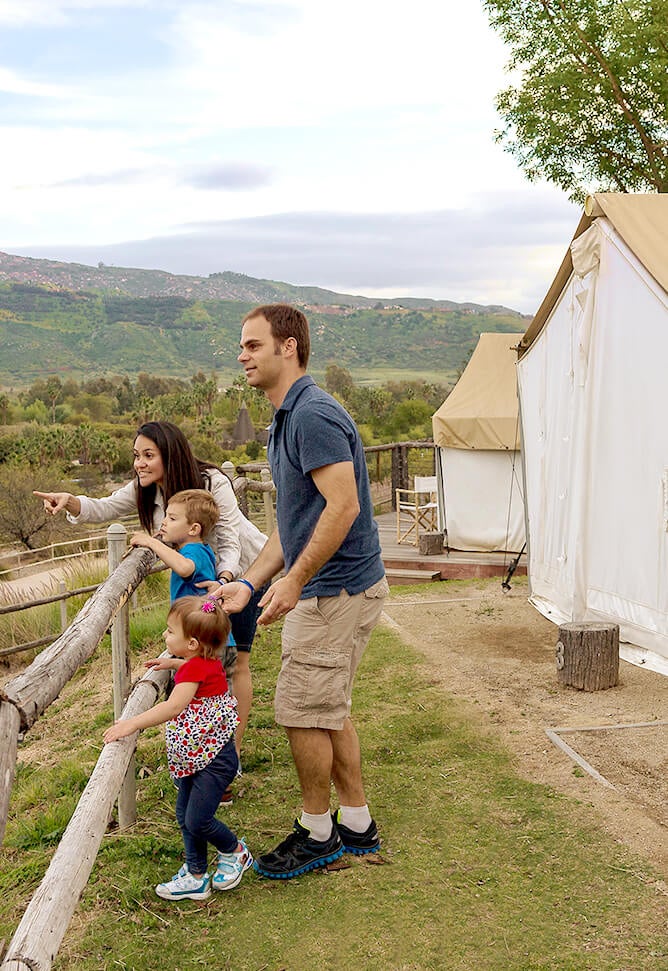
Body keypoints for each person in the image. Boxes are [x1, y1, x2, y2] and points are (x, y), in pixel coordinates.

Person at [215, 303, 389, 880]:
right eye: (241, 347)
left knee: (300, 709)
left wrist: (294, 581)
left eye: (253, 345)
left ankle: (319, 833)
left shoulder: (312, 414)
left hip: (335, 591)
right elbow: (293, 526)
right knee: (326, 704)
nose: (242, 356)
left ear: (288, 348)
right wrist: (250, 581)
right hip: (330, 586)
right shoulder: (285, 418)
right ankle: (357, 824)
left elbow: (343, 507)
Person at [34, 420, 266, 764]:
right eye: (136, 455)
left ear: (169, 456)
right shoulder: (146, 488)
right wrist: (70, 501)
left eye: (148, 455)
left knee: (234, 662)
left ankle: (231, 752)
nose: (139, 463)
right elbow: (104, 507)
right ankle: (203, 752)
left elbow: (230, 539)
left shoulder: (212, 482)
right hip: (201, 594)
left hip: (241, 576)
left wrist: (222, 580)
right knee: (201, 664)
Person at [103, 595, 253, 901]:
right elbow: (195, 668)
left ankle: (235, 851)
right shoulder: (206, 661)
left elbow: (173, 707)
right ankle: (196, 874)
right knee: (185, 814)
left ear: (194, 644)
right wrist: (173, 661)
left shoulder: (194, 671)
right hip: (199, 754)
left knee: (197, 818)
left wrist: (132, 723)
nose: (164, 635)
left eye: (171, 632)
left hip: (211, 759)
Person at [129, 488, 220, 602]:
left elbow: (185, 568)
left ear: (193, 529)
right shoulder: (203, 549)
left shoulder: (194, 550)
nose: (164, 522)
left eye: (172, 518)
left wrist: (151, 542)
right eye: (166, 516)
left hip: (192, 616)